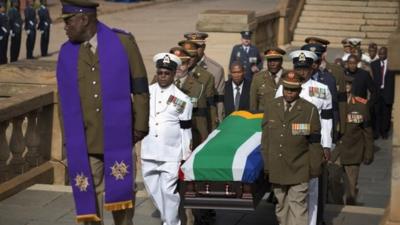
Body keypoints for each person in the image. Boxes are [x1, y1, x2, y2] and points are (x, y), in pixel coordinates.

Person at [56, 0, 149, 224]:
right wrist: (68, 139)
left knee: (122, 193)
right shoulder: (66, 53)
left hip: (120, 135)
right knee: (89, 193)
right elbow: (62, 99)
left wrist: (140, 126)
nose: (65, 27)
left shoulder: (123, 43)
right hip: (85, 139)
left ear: (84, 19)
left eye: (69, 21)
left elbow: (140, 88)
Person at [276, 50, 333, 225]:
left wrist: (327, 145)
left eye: (305, 68)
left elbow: (326, 119)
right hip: (289, 147)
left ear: (312, 68)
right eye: (298, 68)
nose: (301, 72)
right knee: (287, 190)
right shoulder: (283, 88)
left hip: (312, 146)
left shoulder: (322, 90)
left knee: (312, 188)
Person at [262, 71, 324, 225]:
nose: (289, 93)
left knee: (298, 207)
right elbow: (266, 139)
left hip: (299, 168)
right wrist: (267, 165)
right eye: (286, 89)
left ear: (300, 90)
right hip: (277, 167)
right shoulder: (271, 106)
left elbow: (315, 143)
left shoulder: (309, 110)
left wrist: (314, 168)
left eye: (293, 90)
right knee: (281, 208)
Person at [141, 53, 193, 225]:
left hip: (171, 153)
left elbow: (185, 129)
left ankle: (171, 223)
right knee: (153, 190)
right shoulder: (146, 94)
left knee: (168, 192)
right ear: (157, 72)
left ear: (173, 74)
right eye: (161, 72)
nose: (163, 76)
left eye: (167, 73)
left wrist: (186, 155)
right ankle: (170, 221)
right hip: (148, 151)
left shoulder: (181, 99)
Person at [331, 75, 374, 205]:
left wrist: (369, 153)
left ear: (351, 86)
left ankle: (350, 206)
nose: (346, 87)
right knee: (333, 180)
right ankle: (337, 206)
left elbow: (367, 131)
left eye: (348, 84)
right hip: (336, 151)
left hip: (353, 150)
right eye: (343, 84)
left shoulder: (361, 105)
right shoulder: (333, 103)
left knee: (351, 186)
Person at [305, 36, 347, 140]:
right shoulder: (300, 73)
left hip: (325, 125)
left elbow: (341, 102)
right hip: (303, 126)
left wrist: (340, 128)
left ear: (324, 53)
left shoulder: (336, 72)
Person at [184, 32, 225, 122]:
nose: (193, 50)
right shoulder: (179, 67)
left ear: (204, 47)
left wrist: (218, 121)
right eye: (191, 47)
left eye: (197, 47)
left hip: (203, 117)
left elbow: (218, 100)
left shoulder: (215, 69)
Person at [179, 40, 217, 134]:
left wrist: (212, 131)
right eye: (186, 56)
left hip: (196, 128)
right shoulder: (169, 74)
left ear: (197, 57)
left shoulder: (206, 77)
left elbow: (210, 107)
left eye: (192, 56)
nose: (189, 59)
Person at [250, 47, 286, 113]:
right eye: (270, 60)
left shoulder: (289, 77)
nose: (272, 64)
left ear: (281, 61)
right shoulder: (258, 78)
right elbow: (253, 106)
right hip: (263, 120)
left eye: (275, 60)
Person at [371, 47, 394, 139]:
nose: (381, 56)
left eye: (383, 54)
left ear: (387, 54)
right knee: (377, 113)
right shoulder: (374, 64)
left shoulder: (392, 65)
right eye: (380, 54)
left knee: (386, 113)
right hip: (377, 92)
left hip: (387, 92)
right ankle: (376, 132)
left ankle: (384, 132)